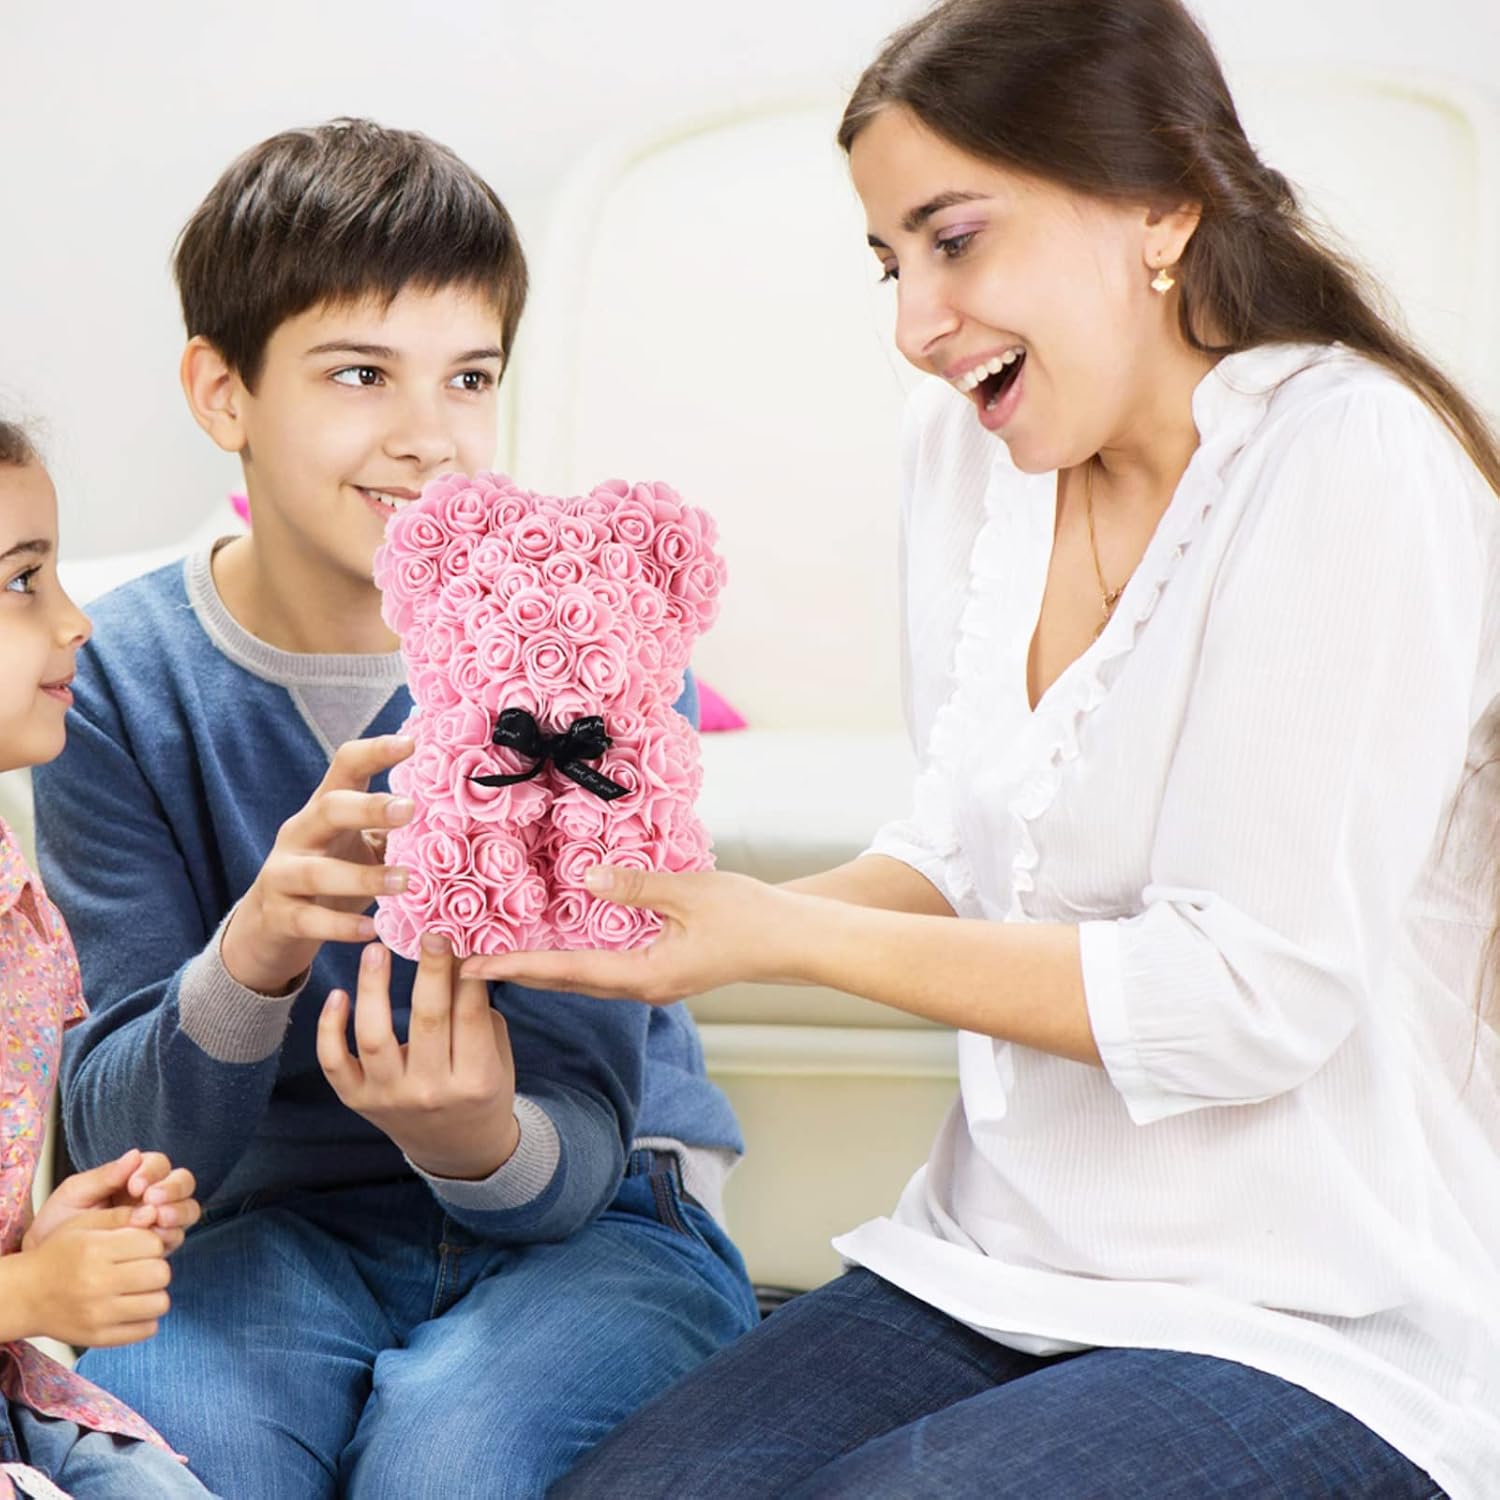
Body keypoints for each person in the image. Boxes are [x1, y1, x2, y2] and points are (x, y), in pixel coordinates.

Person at [470, 2, 1500, 1495]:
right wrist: (690, 927)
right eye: (892, 262)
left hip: (1311, 1314)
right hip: (996, 1258)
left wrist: (782, 938)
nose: (916, 324)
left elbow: (1247, 995)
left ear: (1161, 206)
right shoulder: (966, 454)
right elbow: (966, 846)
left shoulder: (1352, 458)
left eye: (955, 240)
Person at [32, 120, 755, 1499]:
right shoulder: (113, 680)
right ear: (222, 391)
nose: (430, 440)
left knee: (448, 1468)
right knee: (168, 1467)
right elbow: (123, 1146)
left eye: (469, 377)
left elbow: (581, 1129)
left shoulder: (582, 645)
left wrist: (469, 1136)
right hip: (260, 1228)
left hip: (597, 1214)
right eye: (361, 373)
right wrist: (252, 954)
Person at [0, 420, 213, 1498]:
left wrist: (46, 1243)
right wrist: (30, 1293)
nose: (75, 620)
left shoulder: (14, 892)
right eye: (21, 581)